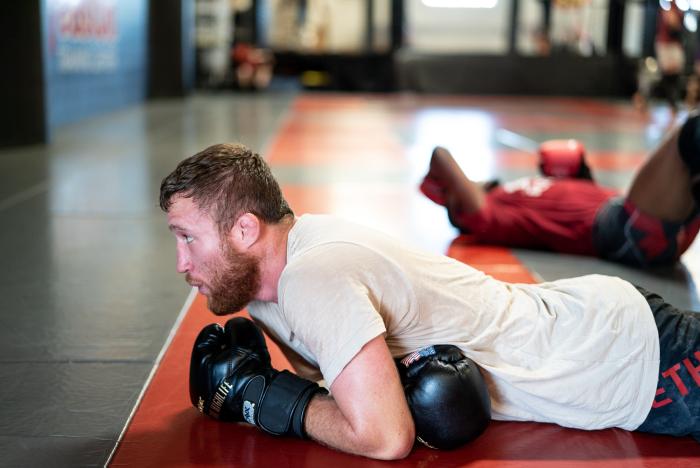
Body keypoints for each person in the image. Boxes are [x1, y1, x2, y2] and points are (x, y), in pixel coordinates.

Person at [160, 141, 700, 461]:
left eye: (189, 238)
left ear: (245, 230)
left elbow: (386, 437)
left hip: (629, 360)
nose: (182, 263)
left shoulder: (311, 277)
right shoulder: (270, 285)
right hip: (593, 325)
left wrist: (260, 396)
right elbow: (338, 385)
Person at [420, 115, 700, 268]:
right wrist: (441, 190)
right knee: (692, 134)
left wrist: (579, 172)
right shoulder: (490, 217)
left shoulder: (518, 191)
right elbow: (440, 155)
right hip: (626, 232)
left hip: (650, 217)